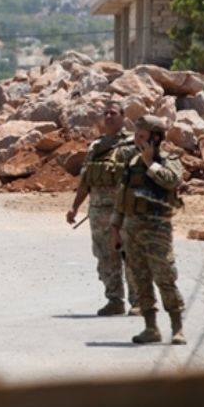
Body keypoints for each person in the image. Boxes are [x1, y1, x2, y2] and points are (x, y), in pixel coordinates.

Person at [110, 115, 186, 345]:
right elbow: (122, 196)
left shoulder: (168, 160)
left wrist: (150, 163)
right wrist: (115, 227)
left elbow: (172, 181)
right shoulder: (132, 162)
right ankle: (151, 328)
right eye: (136, 135)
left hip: (157, 228)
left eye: (142, 136)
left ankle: (177, 328)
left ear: (156, 138)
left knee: (165, 277)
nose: (137, 140)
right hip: (132, 228)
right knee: (140, 278)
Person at [67, 102, 139, 316]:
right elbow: (86, 180)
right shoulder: (96, 147)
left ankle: (138, 301)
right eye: (105, 113)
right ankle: (114, 300)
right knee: (106, 256)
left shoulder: (134, 144)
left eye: (113, 113)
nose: (108, 116)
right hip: (99, 212)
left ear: (123, 117)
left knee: (132, 256)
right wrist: (74, 207)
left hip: (126, 210)